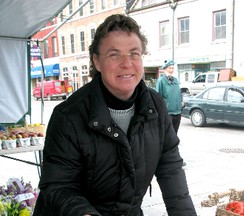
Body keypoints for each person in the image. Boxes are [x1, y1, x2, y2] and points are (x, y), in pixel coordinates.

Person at [33, 14, 197, 216]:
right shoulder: (68, 116)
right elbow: (57, 186)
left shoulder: (155, 106)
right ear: (97, 61)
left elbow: (171, 170)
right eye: (114, 54)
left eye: (134, 53)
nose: (127, 63)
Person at [155, 60, 183, 134]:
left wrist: (181, 102)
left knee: (175, 133)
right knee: (167, 134)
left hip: (177, 112)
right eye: (169, 68)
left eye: (172, 68)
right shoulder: (161, 81)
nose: (171, 70)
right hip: (167, 113)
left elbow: (179, 92)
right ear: (165, 69)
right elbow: (158, 97)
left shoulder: (175, 80)